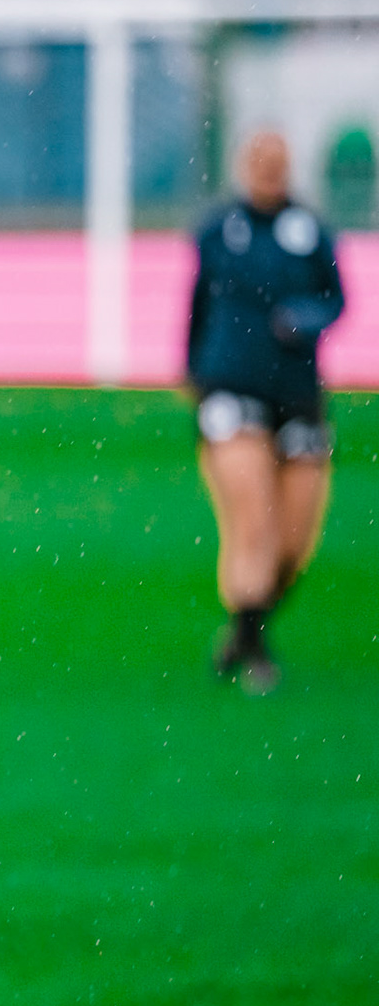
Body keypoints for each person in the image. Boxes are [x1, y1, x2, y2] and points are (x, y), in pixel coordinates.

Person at [187, 131, 347, 694]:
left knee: (293, 543)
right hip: (233, 389)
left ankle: (242, 630)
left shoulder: (309, 232)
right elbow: (199, 303)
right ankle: (255, 652)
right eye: (258, 161)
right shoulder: (218, 231)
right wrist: (195, 375)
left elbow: (337, 298)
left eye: (277, 162)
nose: (268, 171)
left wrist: (304, 318)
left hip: (298, 395)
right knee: (252, 519)